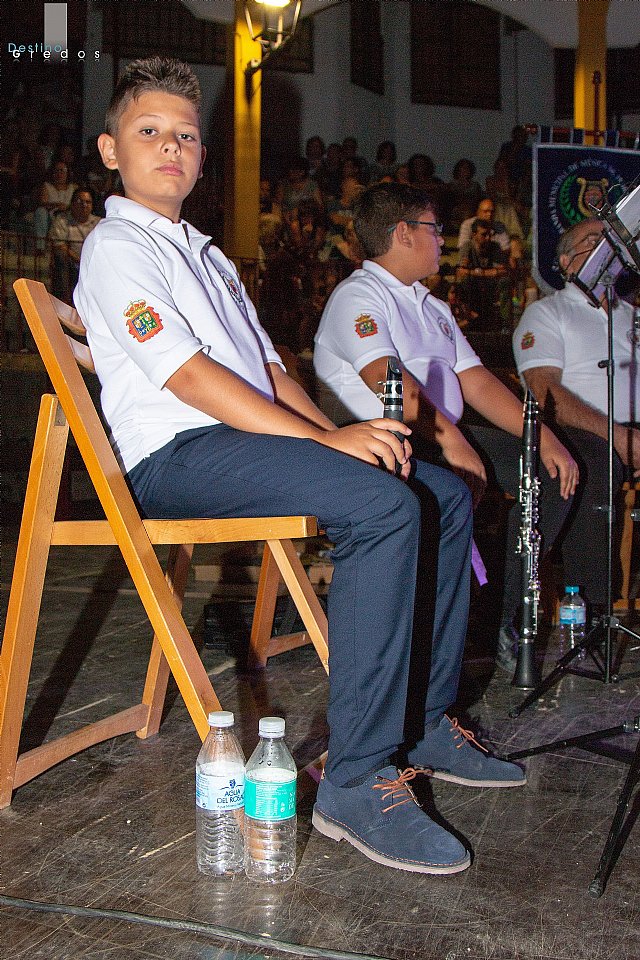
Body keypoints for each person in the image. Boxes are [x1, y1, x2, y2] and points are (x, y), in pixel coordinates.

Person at [76, 56, 526, 877]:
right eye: (149, 133)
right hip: (178, 454)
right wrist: (323, 445)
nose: (170, 147)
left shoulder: (206, 256)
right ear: (112, 150)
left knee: (436, 490)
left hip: (242, 440)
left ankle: (423, 722)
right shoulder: (116, 247)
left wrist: (352, 435)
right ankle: (356, 780)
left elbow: (270, 372)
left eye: (185, 135)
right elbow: (187, 376)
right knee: (385, 508)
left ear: (202, 156)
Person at [314, 183, 579, 673]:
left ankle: (508, 618)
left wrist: (540, 436)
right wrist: (454, 442)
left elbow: (474, 380)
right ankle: (435, 635)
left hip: (438, 433)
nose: (443, 241)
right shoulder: (359, 296)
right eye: (435, 230)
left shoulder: (429, 305)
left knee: (551, 469)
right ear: (404, 234)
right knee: (452, 482)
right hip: (383, 437)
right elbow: (387, 379)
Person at [513, 218, 638, 616]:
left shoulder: (633, 315)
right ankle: (593, 607)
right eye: (592, 241)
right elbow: (544, 392)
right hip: (588, 434)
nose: (606, 248)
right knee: (595, 459)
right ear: (566, 262)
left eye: (611, 242)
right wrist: (618, 437)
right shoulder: (547, 313)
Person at [455, 217, 509, 328]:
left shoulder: (495, 247)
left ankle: (505, 322)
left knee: (505, 281)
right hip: (473, 283)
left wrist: (475, 272)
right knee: (463, 281)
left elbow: (502, 270)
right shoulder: (467, 248)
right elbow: (462, 271)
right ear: (474, 235)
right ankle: (469, 317)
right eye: (484, 235)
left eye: (490, 234)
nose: (488, 238)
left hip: (491, 284)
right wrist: (487, 272)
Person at [49, 188, 101, 299]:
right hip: (71, 262)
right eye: (80, 201)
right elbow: (60, 245)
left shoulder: (99, 223)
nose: (84, 205)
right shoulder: (62, 221)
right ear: (72, 204)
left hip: (93, 264)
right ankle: (65, 299)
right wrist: (80, 261)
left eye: (88, 202)